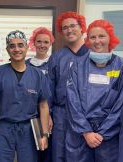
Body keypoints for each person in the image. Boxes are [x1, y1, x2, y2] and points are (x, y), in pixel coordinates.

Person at [65, 20, 123, 162]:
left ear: (110, 38)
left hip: (108, 136)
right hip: (80, 133)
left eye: (102, 36)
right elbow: (72, 101)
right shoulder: (77, 64)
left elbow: (122, 103)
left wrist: (102, 133)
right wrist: (86, 131)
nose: (97, 41)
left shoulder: (122, 66)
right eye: (93, 37)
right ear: (87, 40)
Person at [0, 30, 51, 162]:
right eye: (12, 46)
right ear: (7, 50)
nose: (17, 49)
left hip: (29, 129)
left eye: (20, 45)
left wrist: (44, 135)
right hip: (3, 128)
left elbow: (43, 106)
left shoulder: (37, 75)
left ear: (26, 48)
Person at [47, 11, 90, 162]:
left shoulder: (92, 55)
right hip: (61, 114)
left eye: (73, 26)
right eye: (65, 28)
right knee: (59, 153)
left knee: (83, 154)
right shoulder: (57, 57)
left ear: (81, 27)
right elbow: (49, 88)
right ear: (61, 31)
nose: (69, 30)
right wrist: (49, 115)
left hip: (86, 115)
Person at [26, 27, 55, 162]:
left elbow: (57, 91)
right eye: (39, 42)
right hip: (28, 116)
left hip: (49, 117)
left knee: (46, 152)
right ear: (33, 43)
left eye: (46, 42)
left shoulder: (54, 65)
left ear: (50, 44)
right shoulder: (25, 65)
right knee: (29, 152)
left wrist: (50, 114)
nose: (42, 45)